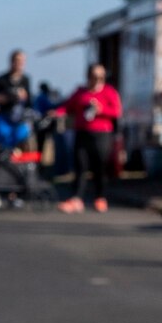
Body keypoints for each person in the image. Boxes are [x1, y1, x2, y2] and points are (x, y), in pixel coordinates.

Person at [57, 63, 121, 213]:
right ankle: (76, 199)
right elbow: (68, 106)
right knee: (80, 166)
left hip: (102, 134)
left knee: (99, 167)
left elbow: (116, 111)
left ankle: (100, 197)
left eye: (101, 77)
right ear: (88, 77)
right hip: (82, 132)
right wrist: (57, 112)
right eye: (95, 77)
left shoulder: (109, 92)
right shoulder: (81, 92)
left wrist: (101, 109)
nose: (98, 80)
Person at [0, 51, 33, 156]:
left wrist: (25, 97)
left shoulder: (25, 79)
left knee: (22, 135)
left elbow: (29, 102)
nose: (20, 64)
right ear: (11, 61)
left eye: (22, 61)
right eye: (17, 61)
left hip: (20, 118)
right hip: (4, 117)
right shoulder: (2, 79)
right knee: (3, 142)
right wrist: (5, 98)